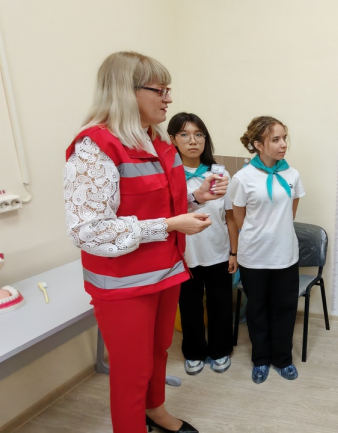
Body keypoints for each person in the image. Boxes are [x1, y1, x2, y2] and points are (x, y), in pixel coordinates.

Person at [64, 51, 228, 433]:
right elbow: (88, 230)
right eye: (160, 90)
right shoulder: (94, 148)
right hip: (123, 284)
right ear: (126, 91)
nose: (169, 99)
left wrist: (196, 198)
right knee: (131, 369)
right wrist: (169, 225)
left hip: (165, 272)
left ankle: (155, 410)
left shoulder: (157, 141)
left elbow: (158, 205)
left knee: (158, 352)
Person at [231, 116, 305, 384]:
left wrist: (276, 234)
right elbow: (239, 218)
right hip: (254, 257)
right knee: (257, 310)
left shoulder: (292, 174)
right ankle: (260, 359)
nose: (283, 144)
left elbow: (290, 213)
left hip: (285, 254)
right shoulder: (243, 178)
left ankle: (282, 359)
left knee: (285, 308)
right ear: (258, 145)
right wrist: (259, 237)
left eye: (284, 138)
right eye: (275, 139)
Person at [169, 112, 238, 376]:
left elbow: (230, 217)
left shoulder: (220, 175)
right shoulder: (169, 176)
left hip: (218, 252)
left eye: (199, 134)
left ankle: (221, 350)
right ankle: (194, 352)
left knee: (221, 304)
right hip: (185, 255)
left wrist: (234, 252)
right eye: (185, 134)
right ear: (173, 139)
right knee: (189, 306)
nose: (193, 141)